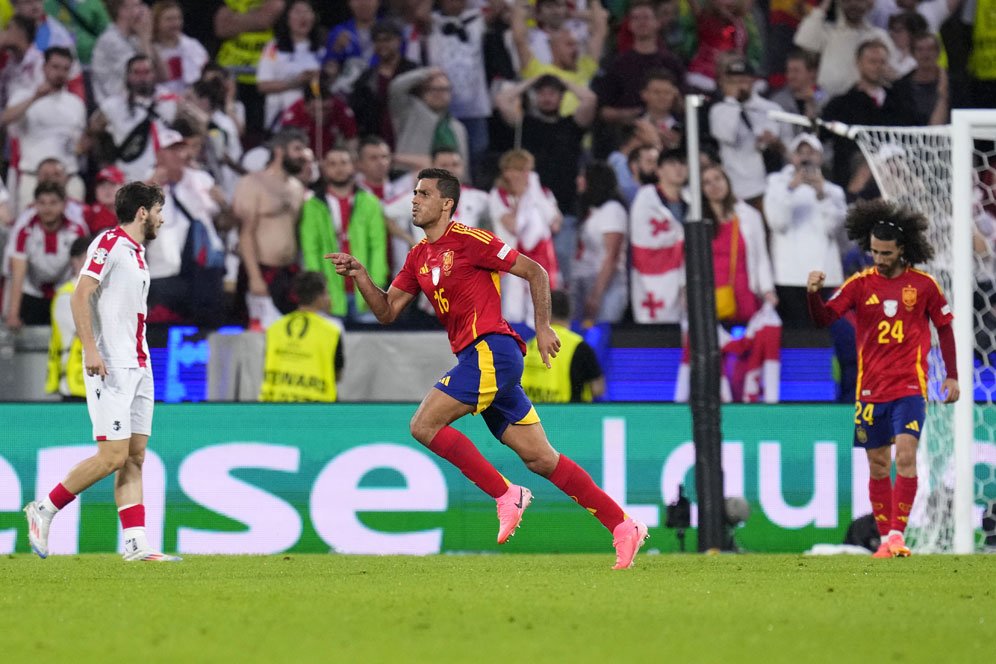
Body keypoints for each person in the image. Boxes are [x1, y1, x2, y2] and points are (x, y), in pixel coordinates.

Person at [325, 168, 649, 569]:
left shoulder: (470, 240)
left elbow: (536, 271)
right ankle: (622, 525)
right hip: (477, 360)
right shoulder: (418, 256)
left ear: (447, 203)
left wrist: (544, 326)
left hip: (493, 351)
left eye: (424, 194)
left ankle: (504, 493)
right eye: (414, 193)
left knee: (423, 426)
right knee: (541, 459)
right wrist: (361, 275)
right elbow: (388, 311)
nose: (414, 200)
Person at [23, 181, 181, 562]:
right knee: (112, 456)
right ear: (142, 211)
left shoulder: (137, 252)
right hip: (111, 365)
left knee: (135, 456)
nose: (162, 217)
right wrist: (91, 349)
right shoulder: (107, 243)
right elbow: (81, 294)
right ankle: (44, 509)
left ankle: (136, 544)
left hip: (140, 365)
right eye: (159, 210)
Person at [807, 199, 960, 558]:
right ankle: (885, 538)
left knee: (905, 456)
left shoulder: (924, 286)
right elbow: (824, 319)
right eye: (874, 251)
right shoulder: (860, 285)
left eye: (886, 252)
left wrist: (951, 376)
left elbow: (946, 329)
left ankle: (895, 536)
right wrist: (813, 295)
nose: (878, 258)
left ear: (902, 250)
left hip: (909, 387)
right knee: (878, 464)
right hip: (870, 391)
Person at [299, 147, 387, 321]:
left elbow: (378, 247)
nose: (339, 168)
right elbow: (311, 250)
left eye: (344, 163)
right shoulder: (312, 206)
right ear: (323, 168)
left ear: (353, 166)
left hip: (365, 293)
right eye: (332, 164)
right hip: (328, 295)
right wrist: (318, 292)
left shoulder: (370, 203)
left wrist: (374, 288)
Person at [233, 127, 308, 329]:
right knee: (259, 335)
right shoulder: (252, 183)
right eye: (297, 149)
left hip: (289, 272)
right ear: (280, 151)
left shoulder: (297, 187)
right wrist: (255, 278)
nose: (303, 155)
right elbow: (245, 234)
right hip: (261, 270)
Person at [4, 181, 87, 328]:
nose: (47, 209)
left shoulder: (76, 229)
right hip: (32, 292)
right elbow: (18, 272)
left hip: (64, 291)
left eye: (53, 203)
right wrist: (13, 314)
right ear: (35, 205)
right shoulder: (24, 230)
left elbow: (82, 268)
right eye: (42, 203)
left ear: (63, 205)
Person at [259, 271, 344, 402]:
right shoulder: (332, 329)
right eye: (327, 293)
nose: (329, 298)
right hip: (316, 405)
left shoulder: (274, 328)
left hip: (275, 402)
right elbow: (337, 374)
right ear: (319, 297)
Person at [570, 161, 628, 324]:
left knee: (601, 334)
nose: (578, 180)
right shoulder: (592, 209)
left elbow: (612, 256)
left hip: (606, 285)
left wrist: (596, 294)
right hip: (585, 282)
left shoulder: (612, 209)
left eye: (582, 176)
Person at [521, 289, 605, 402]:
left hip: (531, 413)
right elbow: (597, 389)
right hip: (566, 415)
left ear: (544, 312)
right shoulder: (580, 346)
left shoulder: (528, 345)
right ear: (570, 312)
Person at [45, 235, 90, 401]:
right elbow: (85, 330)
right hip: (75, 386)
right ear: (75, 261)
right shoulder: (66, 295)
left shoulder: (101, 294)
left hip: (98, 385)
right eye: (89, 258)